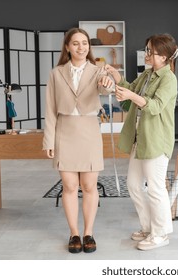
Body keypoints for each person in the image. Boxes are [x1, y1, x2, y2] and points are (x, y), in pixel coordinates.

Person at [42, 27, 114, 254]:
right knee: (70, 186)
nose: (81, 47)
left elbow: (106, 88)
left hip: (89, 131)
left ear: (89, 47)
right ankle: (74, 233)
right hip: (64, 131)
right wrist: (49, 141)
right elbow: (51, 110)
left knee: (89, 185)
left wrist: (107, 84)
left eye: (85, 43)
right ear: (67, 47)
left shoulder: (99, 70)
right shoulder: (56, 73)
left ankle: (88, 233)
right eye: (75, 43)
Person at [105, 33, 178, 251]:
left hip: (156, 140)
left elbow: (154, 107)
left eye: (150, 51)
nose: (146, 54)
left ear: (164, 56)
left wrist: (130, 96)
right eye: (146, 49)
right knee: (133, 185)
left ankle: (161, 233)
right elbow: (130, 87)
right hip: (140, 138)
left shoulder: (169, 79)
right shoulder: (147, 75)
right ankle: (148, 227)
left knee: (155, 189)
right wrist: (114, 75)